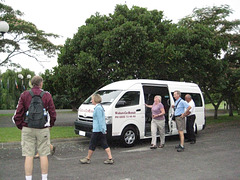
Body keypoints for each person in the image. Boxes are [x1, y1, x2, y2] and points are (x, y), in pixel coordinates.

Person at [12, 76, 56, 180]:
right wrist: (50, 125)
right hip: (43, 128)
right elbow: (53, 113)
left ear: (32, 84)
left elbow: (17, 115)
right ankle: (44, 178)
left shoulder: (24, 95)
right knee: (43, 154)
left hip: (28, 128)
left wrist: (21, 126)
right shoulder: (47, 95)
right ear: (41, 83)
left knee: (29, 155)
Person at [80, 94, 114, 164]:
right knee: (104, 144)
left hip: (98, 130)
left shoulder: (98, 108)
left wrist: (103, 130)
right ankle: (110, 158)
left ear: (95, 100)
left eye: (92, 99)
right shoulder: (99, 107)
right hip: (99, 130)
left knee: (92, 144)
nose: (91, 100)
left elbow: (100, 120)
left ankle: (88, 158)